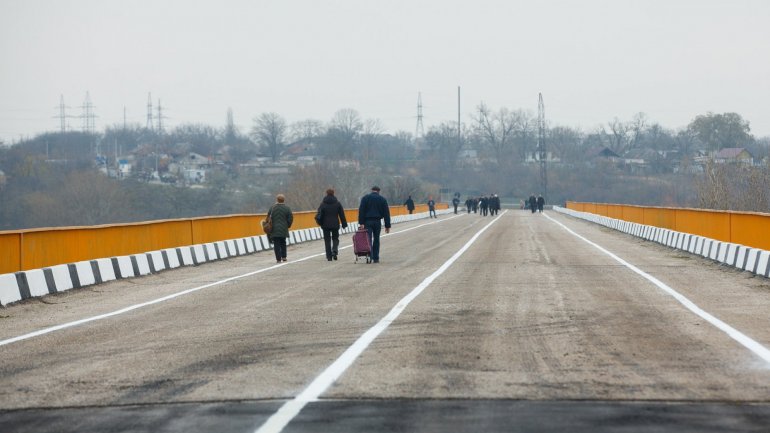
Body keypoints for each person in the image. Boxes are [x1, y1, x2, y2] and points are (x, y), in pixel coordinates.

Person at [358, 186, 391, 263]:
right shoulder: (382, 199)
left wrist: (361, 223)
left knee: (368, 239)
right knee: (376, 239)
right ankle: (376, 258)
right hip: (377, 222)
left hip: (367, 222)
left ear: (371, 190)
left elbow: (361, 211)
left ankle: (370, 256)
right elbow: (386, 213)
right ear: (379, 191)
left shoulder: (365, 198)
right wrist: (387, 226)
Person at [317, 188, 348, 261]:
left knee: (327, 240)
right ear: (333, 193)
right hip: (335, 224)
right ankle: (334, 250)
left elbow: (319, 214)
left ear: (326, 193)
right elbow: (341, 214)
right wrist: (344, 224)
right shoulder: (337, 203)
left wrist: (320, 223)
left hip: (325, 225)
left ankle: (329, 257)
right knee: (335, 238)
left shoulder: (323, 204)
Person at [268, 194, 293, 263]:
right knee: (283, 242)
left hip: (274, 228)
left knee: (276, 243)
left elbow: (268, 218)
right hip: (284, 228)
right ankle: (284, 257)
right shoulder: (287, 208)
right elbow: (290, 218)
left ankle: (278, 259)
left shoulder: (272, 208)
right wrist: (288, 225)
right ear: (284, 200)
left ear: (277, 200)